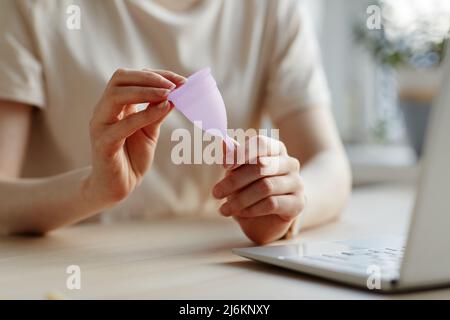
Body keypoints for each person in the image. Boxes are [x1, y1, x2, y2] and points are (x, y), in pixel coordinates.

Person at [0, 0, 351, 244]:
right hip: (80, 269)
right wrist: (93, 190)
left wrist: (283, 207)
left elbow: (331, 165)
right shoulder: (32, 7)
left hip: (209, 267)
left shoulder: (272, 8)